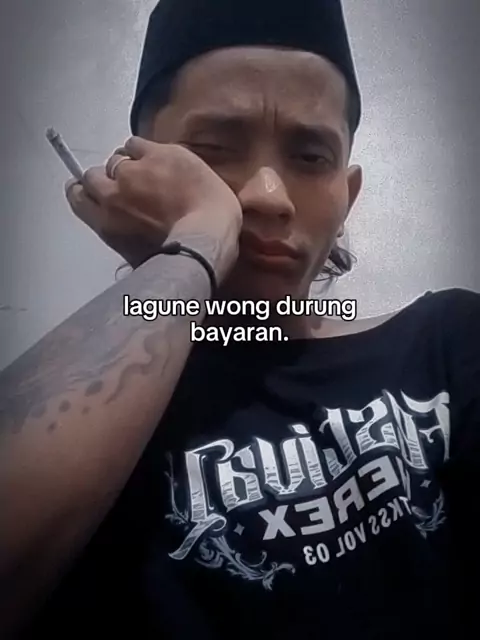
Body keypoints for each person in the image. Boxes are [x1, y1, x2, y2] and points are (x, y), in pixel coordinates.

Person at [1, 0, 479, 638]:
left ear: (348, 194)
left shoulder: (447, 344)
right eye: (213, 150)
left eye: (311, 157)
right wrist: (199, 238)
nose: (267, 197)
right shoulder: (90, 410)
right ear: (144, 174)